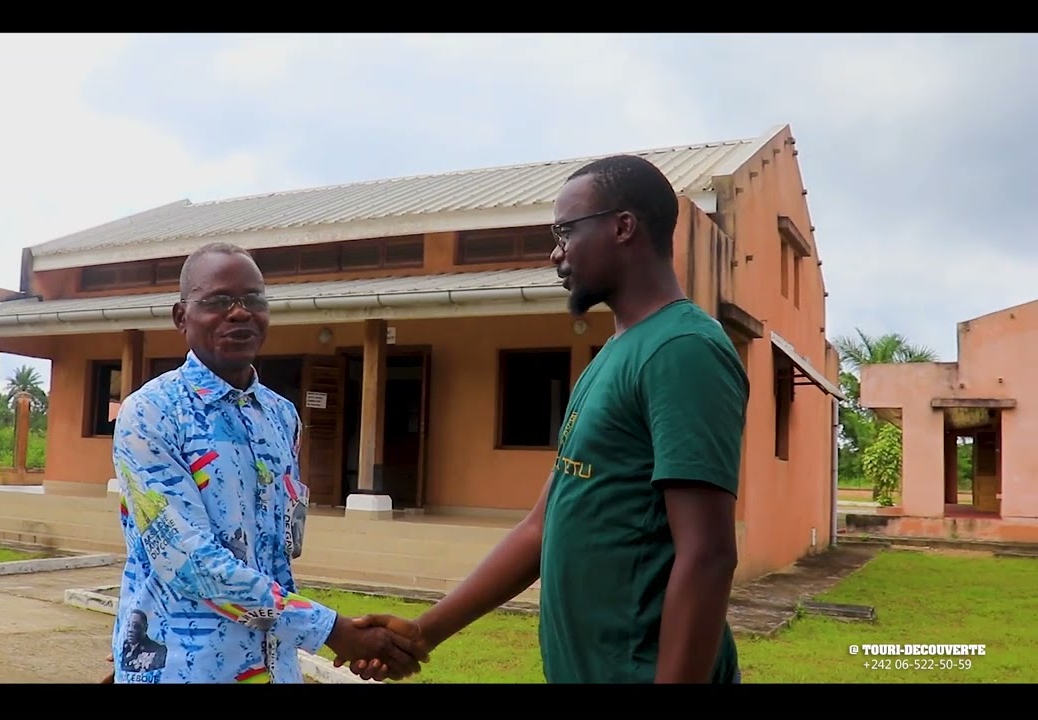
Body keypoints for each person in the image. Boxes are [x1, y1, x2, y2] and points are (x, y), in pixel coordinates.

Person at [341, 154, 749, 684]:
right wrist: (424, 632)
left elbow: (708, 553)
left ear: (623, 226)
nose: (555, 253)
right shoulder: (614, 354)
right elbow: (543, 524)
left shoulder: (683, 350)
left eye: (564, 231)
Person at [106, 242, 426, 684]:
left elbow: (277, 554)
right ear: (181, 317)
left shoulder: (280, 416)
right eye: (218, 301)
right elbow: (187, 561)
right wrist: (334, 630)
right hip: (182, 667)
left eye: (254, 299)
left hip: (273, 666)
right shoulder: (151, 413)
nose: (240, 313)